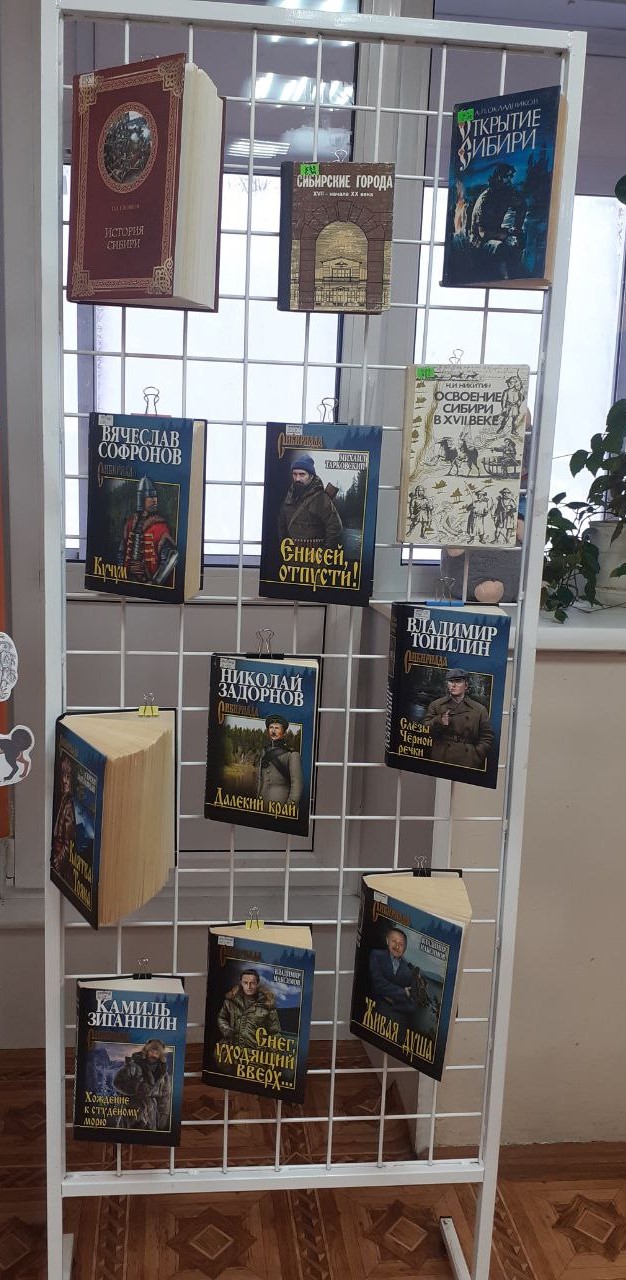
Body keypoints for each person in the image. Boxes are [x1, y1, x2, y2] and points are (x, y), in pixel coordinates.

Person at [423, 669, 495, 771]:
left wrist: (475, 756)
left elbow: (487, 737)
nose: (453, 685)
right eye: (451, 681)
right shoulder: (436, 705)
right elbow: (425, 730)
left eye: (458, 681)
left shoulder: (479, 710)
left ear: (466, 686)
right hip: (441, 757)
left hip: (466, 760)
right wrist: (439, 721)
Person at [118, 475, 178, 587]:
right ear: (141, 499)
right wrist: (126, 570)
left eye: (155, 496)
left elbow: (171, 557)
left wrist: (155, 582)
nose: (154, 500)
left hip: (149, 583)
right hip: (129, 581)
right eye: (150, 497)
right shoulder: (130, 524)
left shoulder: (160, 527)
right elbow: (122, 553)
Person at [469, 163, 527, 279]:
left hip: (497, 234)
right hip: (479, 242)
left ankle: (517, 275)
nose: (509, 180)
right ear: (498, 177)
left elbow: (520, 204)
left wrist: (515, 229)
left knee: (520, 239)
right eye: (507, 177)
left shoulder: (504, 194)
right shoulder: (486, 199)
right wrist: (506, 236)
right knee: (501, 248)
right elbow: (483, 233)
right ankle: (506, 280)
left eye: (511, 177)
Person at [277, 454, 342, 551]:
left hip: (314, 555)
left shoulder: (321, 498)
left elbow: (335, 528)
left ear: (311, 476)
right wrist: (284, 548)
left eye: (302, 474)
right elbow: (281, 525)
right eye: (295, 474)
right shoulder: (289, 496)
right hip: (291, 555)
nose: (297, 479)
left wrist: (324, 552)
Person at [112, 1039, 172, 1132]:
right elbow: (117, 1082)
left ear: (160, 1055)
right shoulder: (133, 1066)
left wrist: (163, 1114)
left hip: (150, 1115)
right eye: (152, 1051)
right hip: (130, 1111)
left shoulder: (163, 1073)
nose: (154, 1054)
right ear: (146, 1051)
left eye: (157, 1052)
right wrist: (137, 1088)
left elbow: (165, 1096)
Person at [217, 969, 282, 1048]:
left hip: (255, 1053)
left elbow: (275, 1033)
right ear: (241, 983)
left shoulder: (267, 1005)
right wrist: (226, 1029)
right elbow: (222, 1017)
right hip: (232, 1050)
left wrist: (271, 1051)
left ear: (257, 984)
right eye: (245, 983)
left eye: (252, 983)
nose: (248, 986)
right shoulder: (231, 1001)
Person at [368, 928, 418, 1016]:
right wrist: (403, 992)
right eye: (394, 941)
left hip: (395, 1017)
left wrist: (394, 1004)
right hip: (371, 1011)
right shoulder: (376, 955)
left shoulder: (409, 972)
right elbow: (378, 983)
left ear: (405, 948)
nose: (397, 946)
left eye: (401, 944)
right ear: (387, 941)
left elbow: (413, 1005)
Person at [258, 714, 303, 808]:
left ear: (284, 733)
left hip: (280, 806)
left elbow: (297, 787)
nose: (273, 731)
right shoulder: (264, 752)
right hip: (261, 804)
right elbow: (259, 780)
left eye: (277, 728)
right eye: (271, 727)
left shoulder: (291, 755)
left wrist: (288, 809)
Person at [51, 752, 76, 874]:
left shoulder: (70, 805)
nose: (64, 780)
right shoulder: (64, 800)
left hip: (61, 863)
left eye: (68, 777)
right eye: (63, 776)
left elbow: (68, 844)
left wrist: (57, 862)